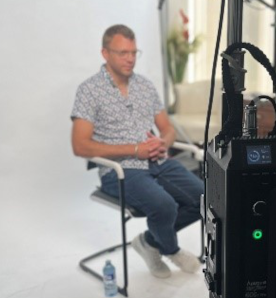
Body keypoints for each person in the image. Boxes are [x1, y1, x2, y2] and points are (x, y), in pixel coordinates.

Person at [70, 24, 203, 279]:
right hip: (120, 170)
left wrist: (163, 142)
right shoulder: (89, 90)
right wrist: (134, 150)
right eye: (122, 53)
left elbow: (168, 129)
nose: (130, 59)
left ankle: (149, 242)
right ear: (105, 53)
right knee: (164, 206)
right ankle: (171, 249)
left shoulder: (145, 86)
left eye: (134, 52)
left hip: (159, 161)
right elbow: (80, 145)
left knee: (205, 200)